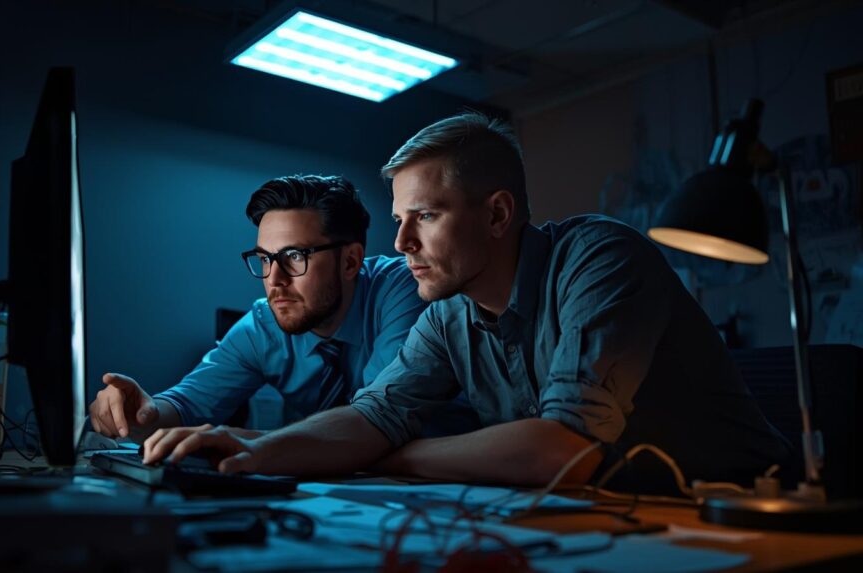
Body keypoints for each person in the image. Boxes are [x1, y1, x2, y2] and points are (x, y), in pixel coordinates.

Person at [141, 113, 791, 492]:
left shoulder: (600, 258)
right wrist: (250, 451)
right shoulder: (449, 315)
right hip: (620, 522)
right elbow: (372, 418)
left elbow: (561, 450)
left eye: (425, 215)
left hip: (749, 519)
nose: (401, 242)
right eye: (399, 220)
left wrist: (385, 455)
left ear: (498, 214)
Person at [88, 174, 477, 442]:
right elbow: (186, 405)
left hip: (457, 482)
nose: (274, 279)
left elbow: (375, 424)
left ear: (350, 261)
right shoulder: (263, 325)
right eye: (264, 259)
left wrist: (254, 443)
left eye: (294, 256)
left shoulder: (405, 288)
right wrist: (142, 412)